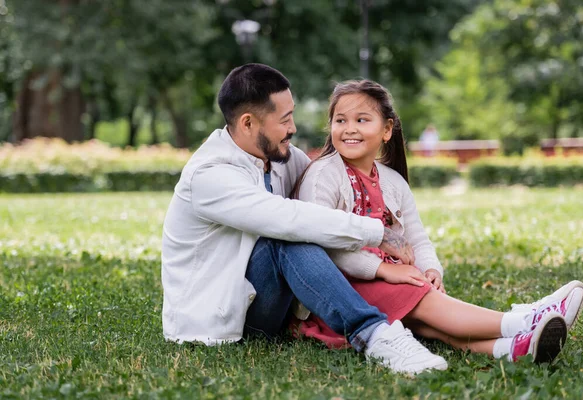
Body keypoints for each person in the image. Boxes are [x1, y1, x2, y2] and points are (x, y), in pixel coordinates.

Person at [162, 63, 449, 376]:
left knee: (297, 234)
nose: (293, 128)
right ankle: (375, 335)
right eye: (285, 119)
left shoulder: (280, 157)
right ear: (248, 123)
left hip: (271, 304)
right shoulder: (210, 176)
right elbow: (288, 218)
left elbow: (324, 183)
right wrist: (377, 232)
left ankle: (499, 333)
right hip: (219, 320)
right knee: (284, 236)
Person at [292, 79, 583, 365]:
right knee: (423, 303)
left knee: (431, 323)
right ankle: (526, 320)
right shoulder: (323, 175)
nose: (349, 129)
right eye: (340, 120)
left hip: (392, 278)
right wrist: (382, 270)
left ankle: (514, 349)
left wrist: (431, 269)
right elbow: (323, 247)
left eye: (362, 120)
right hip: (344, 290)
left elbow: (417, 239)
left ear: (386, 130)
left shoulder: (393, 181)